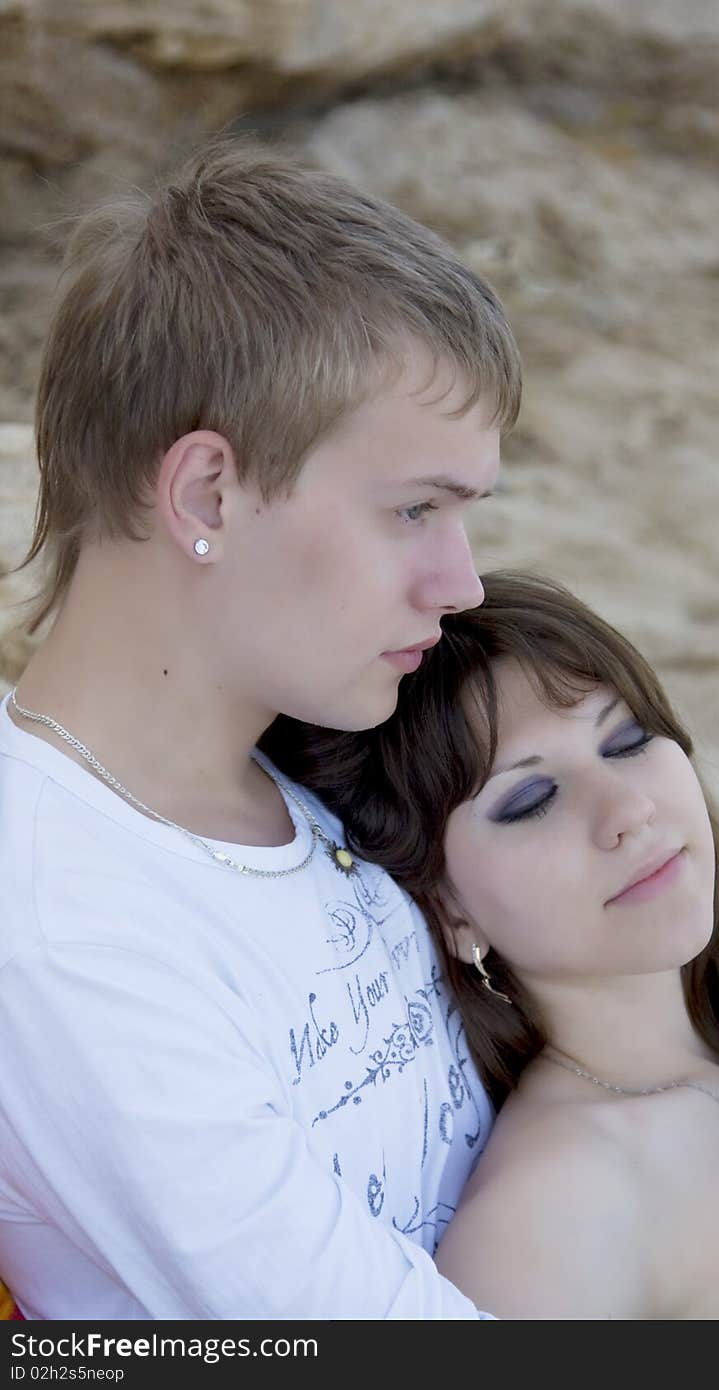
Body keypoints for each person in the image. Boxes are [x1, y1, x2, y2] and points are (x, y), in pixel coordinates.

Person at [0, 140, 520, 1319]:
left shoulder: (315, 735)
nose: (462, 583)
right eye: (414, 510)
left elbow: (645, 870)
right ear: (205, 496)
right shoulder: (58, 930)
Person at [273, 570, 719, 1319]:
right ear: (453, 911)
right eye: (531, 800)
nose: (629, 809)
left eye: (627, 741)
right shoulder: (552, 1213)